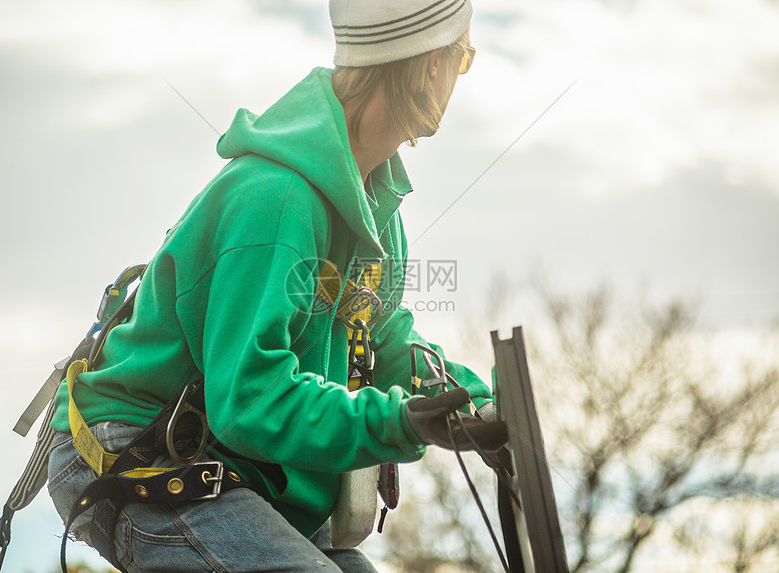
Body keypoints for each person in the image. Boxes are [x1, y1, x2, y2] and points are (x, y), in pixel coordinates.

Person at [47, 0, 506, 571]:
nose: (459, 77)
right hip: (137, 447)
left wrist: (478, 401)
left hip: (229, 457)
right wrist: (399, 422)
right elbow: (249, 399)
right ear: (433, 64)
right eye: (464, 59)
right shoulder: (277, 199)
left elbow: (381, 343)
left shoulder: (374, 202)